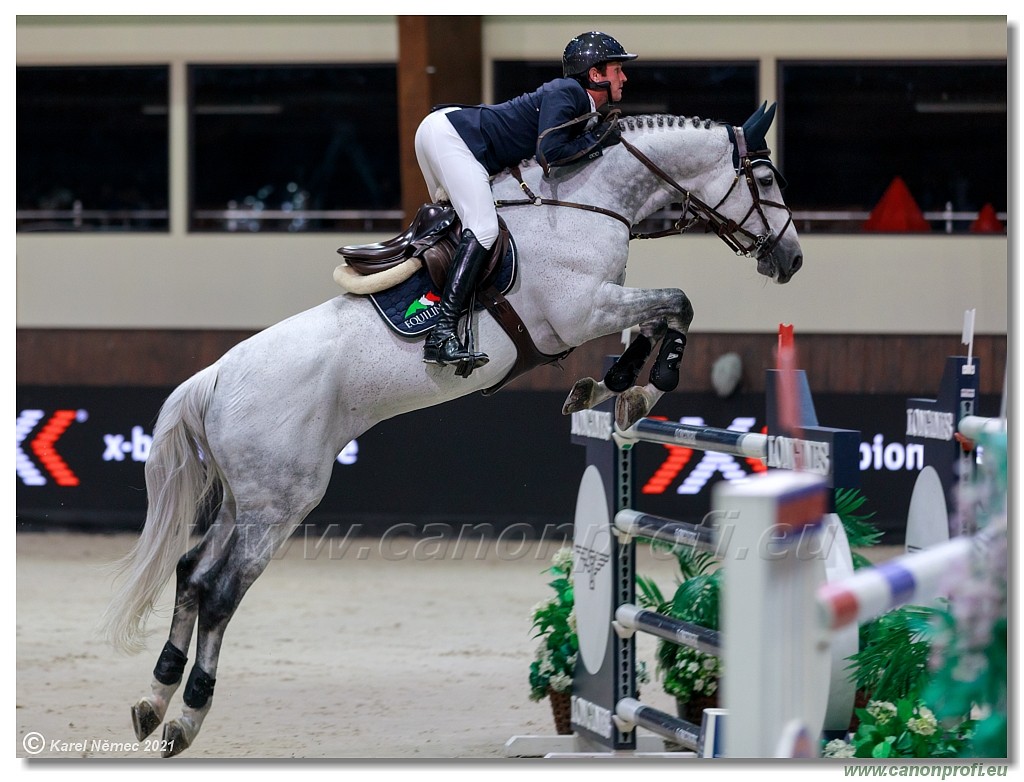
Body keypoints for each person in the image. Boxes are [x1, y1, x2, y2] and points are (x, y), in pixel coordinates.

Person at [415, 31, 637, 369]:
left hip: (446, 133)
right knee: (484, 229)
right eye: (617, 69)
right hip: (455, 137)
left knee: (464, 229)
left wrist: (596, 135)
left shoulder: (581, 105)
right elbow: (549, 154)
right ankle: (441, 333)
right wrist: (603, 138)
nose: (624, 76)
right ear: (595, 74)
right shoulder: (570, 92)